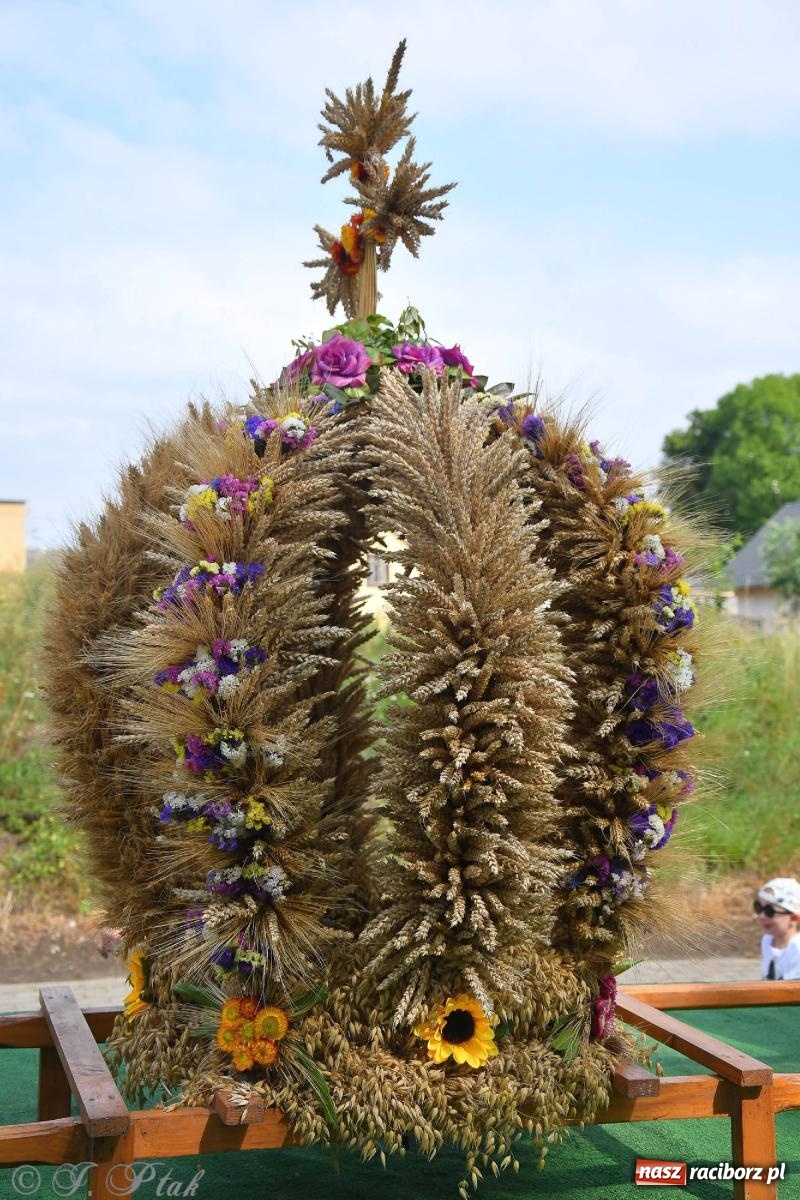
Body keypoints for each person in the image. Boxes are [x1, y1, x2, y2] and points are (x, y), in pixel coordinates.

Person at [754, 878, 800, 981]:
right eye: (758, 908)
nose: (761, 916)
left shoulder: (797, 950)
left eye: (769, 911)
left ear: (794, 918)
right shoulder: (767, 940)